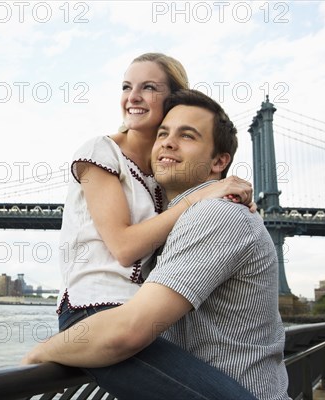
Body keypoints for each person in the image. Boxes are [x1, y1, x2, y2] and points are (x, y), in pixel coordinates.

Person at [23, 89, 290, 400]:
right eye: (163, 133)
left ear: (219, 161)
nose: (167, 142)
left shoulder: (216, 214)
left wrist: (41, 353)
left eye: (187, 136)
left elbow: (127, 332)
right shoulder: (176, 222)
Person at [57, 53, 254, 330]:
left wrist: (236, 196)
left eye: (148, 87)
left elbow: (206, 199)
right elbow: (124, 248)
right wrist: (204, 195)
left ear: (173, 100)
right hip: (93, 311)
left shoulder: (166, 169)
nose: (133, 97)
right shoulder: (99, 152)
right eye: (127, 87)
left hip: (140, 315)